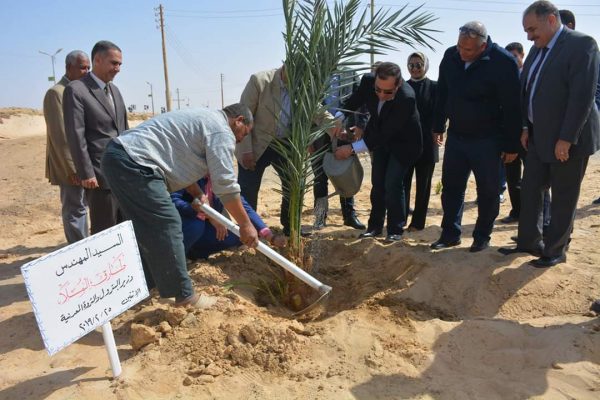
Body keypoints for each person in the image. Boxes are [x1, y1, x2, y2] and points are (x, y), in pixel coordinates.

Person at [101, 104, 259, 308]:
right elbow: (226, 185)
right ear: (238, 120)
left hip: (121, 157)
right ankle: (185, 297)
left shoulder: (205, 118)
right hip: (133, 162)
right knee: (167, 223)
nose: (240, 140)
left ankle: (141, 289)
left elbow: (176, 162)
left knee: (150, 229)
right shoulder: (221, 130)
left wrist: (198, 193)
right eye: (244, 133)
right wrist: (245, 225)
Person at [502, 1, 599, 268]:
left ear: (552, 20)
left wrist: (566, 138)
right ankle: (529, 242)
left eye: (532, 29)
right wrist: (525, 126)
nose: (528, 36)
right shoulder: (535, 50)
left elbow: (582, 97)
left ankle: (555, 250)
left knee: (563, 197)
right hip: (536, 136)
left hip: (568, 140)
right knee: (531, 189)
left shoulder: (582, 45)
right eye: (526, 30)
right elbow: (527, 91)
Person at [430, 21, 522, 253]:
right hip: (458, 136)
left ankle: (482, 236)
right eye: (460, 46)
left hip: (489, 139)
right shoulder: (451, 56)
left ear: (483, 47)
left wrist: (511, 144)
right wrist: (438, 124)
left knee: (489, 190)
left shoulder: (504, 63)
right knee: (451, 187)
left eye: (468, 49)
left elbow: (513, 107)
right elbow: (442, 91)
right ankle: (450, 234)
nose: (462, 53)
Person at [236, 65, 338, 235]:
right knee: (248, 189)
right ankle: (249, 231)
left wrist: (336, 126)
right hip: (257, 143)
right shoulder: (259, 81)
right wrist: (246, 150)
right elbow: (243, 117)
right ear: (285, 67)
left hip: (285, 143)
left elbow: (317, 112)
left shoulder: (303, 84)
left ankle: (291, 228)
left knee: (295, 184)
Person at [335, 62, 423, 242]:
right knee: (378, 184)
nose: (382, 95)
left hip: (404, 144)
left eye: (388, 92)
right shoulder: (368, 81)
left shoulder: (407, 98)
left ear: (398, 85)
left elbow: (386, 133)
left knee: (393, 184)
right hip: (379, 140)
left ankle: (395, 229)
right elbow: (355, 100)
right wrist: (338, 117)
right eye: (378, 90)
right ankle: (374, 227)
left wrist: (351, 149)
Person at [63, 40, 128, 234]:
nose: (117, 69)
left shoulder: (115, 91)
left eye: (120, 64)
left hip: (122, 173)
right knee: (104, 229)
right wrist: (86, 173)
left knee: (124, 226)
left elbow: (123, 130)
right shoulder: (76, 90)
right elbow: (76, 135)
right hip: (99, 175)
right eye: (113, 63)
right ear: (97, 60)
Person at [171, 176, 286, 260]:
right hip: (184, 223)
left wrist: (269, 235)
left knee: (236, 237)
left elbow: (243, 205)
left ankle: (195, 252)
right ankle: (177, 258)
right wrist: (193, 209)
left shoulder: (221, 178)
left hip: (208, 226)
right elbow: (172, 199)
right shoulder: (189, 173)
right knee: (196, 226)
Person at [500, 43, 552, 226]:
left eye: (515, 55)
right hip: (511, 138)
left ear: (522, 55)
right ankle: (517, 211)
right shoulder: (505, 79)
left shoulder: (530, 77)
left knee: (538, 181)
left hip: (530, 137)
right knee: (512, 178)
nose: (513, 59)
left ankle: (545, 220)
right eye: (509, 56)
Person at [43, 50, 90, 243]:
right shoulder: (56, 93)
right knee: (74, 207)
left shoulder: (81, 91)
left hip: (85, 161)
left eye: (88, 67)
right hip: (69, 165)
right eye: (82, 67)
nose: (86, 71)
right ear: (68, 68)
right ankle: (80, 249)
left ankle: (87, 243)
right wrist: (73, 167)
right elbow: (60, 135)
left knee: (84, 205)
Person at [311, 70, 366, 230]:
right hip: (318, 135)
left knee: (346, 174)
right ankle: (320, 217)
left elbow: (361, 103)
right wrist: (308, 141)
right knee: (319, 177)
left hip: (345, 133)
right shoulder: (315, 76)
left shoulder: (350, 75)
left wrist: (360, 127)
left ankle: (349, 216)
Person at [403, 52, 438, 231]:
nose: (415, 68)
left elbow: (440, 113)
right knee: (403, 184)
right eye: (411, 65)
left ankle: (417, 223)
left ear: (425, 65)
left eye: (418, 64)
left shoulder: (434, 87)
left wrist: (439, 131)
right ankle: (400, 221)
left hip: (427, 144)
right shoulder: (402, 87)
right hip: (406, 144)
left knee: (423, 187)